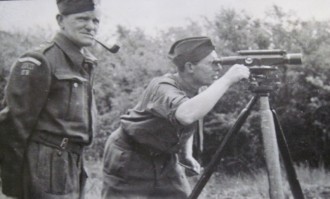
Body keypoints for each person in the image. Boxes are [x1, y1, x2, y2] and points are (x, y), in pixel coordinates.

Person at [101, 36, 250, 198]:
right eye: (212, 63)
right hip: (130, 155)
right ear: (190, 67)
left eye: (219, 62)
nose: (218, 68)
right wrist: (227, 80)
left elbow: (190, 120)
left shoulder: (196, 89)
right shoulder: (163, 87)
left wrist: (186, 154)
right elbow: (186, 115)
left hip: (164, 157)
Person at [1, 0, 102, 198]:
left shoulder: (84, 62)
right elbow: (13, 126)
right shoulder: (41, 60)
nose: (91, 26)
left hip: (73, 163)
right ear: (61, 20)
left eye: (95, 20)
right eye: (82, 19)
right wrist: (13, 186)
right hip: (46, 166)